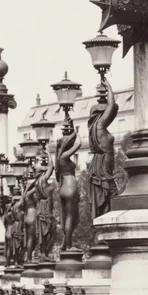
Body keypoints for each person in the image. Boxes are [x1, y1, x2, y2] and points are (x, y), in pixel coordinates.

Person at [87, 81, 118, 221]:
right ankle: (103, 231)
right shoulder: (100, 126)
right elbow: (112, 106)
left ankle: (102, 229)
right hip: (103, 171)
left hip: (105, 170)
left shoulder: (98, 128)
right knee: (110, 197)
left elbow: (113, 109)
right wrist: (110, 88)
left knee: (108, 200)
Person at [55, 121, 82, 251]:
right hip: (70, 188)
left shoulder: (59, 158)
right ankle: (69, 245)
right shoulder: (64, 156)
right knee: (71, 217)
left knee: (68, 217)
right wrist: (75, 130)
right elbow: (78, 144)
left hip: (64, 188)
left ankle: (65, 243)